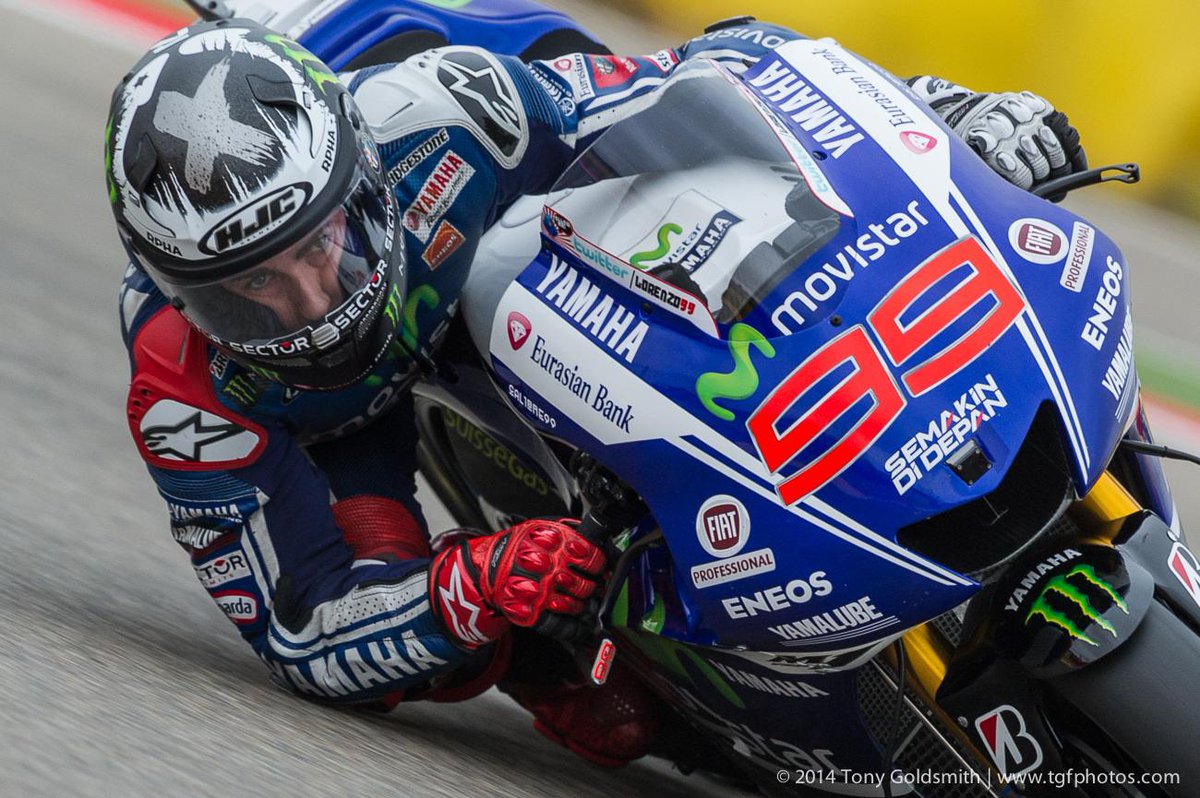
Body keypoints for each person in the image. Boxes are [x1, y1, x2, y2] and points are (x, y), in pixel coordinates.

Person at [105, 14, 1085, 768]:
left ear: (363, 176)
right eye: (249, 289)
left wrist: (943, 114)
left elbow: (732, 69)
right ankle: (636, 676)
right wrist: (471, 587)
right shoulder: (180, 385)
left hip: (509, 232)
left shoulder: (448, 118)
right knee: (595, 710)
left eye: (324, 243)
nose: (314, 304)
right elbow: (303, 628)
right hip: (350, 434)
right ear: (179, 289)